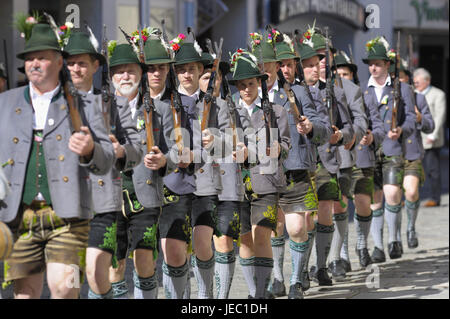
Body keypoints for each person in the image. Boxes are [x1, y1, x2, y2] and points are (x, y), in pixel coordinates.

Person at [0, 23, 114, 298]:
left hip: (69, 216)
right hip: (19, 216)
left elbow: (107, 160)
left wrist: (89, 149)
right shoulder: (5, 102)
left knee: (66, 286)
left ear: (59, 61)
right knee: (25, 293)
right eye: (29, 58)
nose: (34, 63)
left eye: (42, 57)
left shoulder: (85, 104)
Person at [64, 30, 143, 299]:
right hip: (66, 202)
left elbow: (137, 150)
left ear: (96, 65)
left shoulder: (114, 103)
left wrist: (121, 150)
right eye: (71, 63)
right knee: (68, 279)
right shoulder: (55, 104)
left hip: (104, 201)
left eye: (82, 63)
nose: (76, 68)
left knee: (96, 273)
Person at [108, 41, 177, 299]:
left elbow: (177, 150)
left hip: (146, 193)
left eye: (131, 71)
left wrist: (163, 162)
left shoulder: (159, 110)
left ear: (140, 73)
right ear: (112, 76)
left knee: (144, 259)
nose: (125, 76)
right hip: (111, 196)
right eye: (119, 71)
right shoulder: (100, 110)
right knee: (115, 264)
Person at [270, 34, 331, 298]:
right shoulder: (256, 92)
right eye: (280, 63)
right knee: (274, 226)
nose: (286, 69)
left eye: (290, 64)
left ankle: (296, 280)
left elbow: (323, 128)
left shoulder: (301, 92)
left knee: (296, 228)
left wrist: (310, 126)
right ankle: (277, 278)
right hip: (266, 170)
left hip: (297, 167)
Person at [228, 47, 290, 299]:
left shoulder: (276, 111)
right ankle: (255, 291)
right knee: (244, 240)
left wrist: (279, 148)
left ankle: (263, 292)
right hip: (235, 184)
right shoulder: (226, 111)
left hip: (267, 179)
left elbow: (286, 143)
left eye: (251, 83)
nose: (246, 89)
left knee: (261, 233)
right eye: (241, 85)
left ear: (260, 83)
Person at [308, 29, 367, 281]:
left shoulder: (348, 88)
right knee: (312, 212)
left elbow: (360, 121)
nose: (321, 62)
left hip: (340, 154)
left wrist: (346, 136)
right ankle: (316, 261)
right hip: (312, 157)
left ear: (332, 58)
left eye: (324, 57)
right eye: (315, 58)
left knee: (338, 204)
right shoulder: (300, 88)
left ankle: (337, 256)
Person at [173, 35, 229, 299]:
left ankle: (205, 296)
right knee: (175, 247)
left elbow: (232, 141)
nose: (187, 74)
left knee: (202, 243)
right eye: (181, 70)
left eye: (192, 69)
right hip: (174, 182)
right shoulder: (166, 104)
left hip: (205, 184)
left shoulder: (216, 104)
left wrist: (216, 140)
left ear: (200, 71)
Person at [142, 33, 196, 299]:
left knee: (174, 251)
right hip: (140, 186)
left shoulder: (180, 103)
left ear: (168, 69)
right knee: (145, 258)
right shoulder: (131, 101)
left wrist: (185, 154)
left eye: (161, 67)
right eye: (150, 68)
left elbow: (192, 143)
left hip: (174, 183)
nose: (155, 73)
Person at [362, 36, 416, 263]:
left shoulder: (402, 89)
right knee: (375, 199)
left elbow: (412, 119)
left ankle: (394, 238)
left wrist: (401, 130)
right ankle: (377, 246)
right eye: (370, 64)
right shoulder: (363, 91)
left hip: (393, 147)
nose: (373, 67)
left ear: (387, 65)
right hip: (371, 150)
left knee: (393, 193)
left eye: (378, 63)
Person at [335, 50, 385, 268]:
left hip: (362, 157)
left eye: (345, 74)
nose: (341, 78)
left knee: (364, 203)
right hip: (339, 159)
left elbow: (379, 125)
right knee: (341, 205)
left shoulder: (364, 95)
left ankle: (362, 243)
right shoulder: (329, 98)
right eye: (337, 74)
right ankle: (342, 253)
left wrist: (373, 135)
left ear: (352, 75)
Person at [389, 60, 434, 250]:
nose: (398, 81)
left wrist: (419, 118)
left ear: (408, 79)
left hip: (411, 151)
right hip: (391, 152)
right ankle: (395, 236)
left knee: (412, 192)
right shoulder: (386, 98)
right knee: (394, 195)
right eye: (394, 78)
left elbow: (430, 125)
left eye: (401, 78)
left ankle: (410, 227)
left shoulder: (419, 99)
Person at [414, 68, 447, 208]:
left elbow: (440, 116)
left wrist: (433, 134)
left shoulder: (438, 94)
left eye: (418, 82)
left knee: (433, 170)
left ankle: (435, 197)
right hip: (415, 139)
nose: (416, 85)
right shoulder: (413, 94)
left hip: (430, 139)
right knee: (413, 169)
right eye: (414, 82)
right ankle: (413, 196)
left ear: (427, 81)